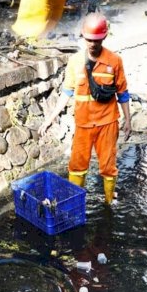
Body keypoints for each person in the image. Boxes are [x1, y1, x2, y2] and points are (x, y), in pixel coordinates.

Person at [38, 12, 131, 205]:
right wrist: (50, 118)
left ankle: (108, 203)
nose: (92, 44)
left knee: (108, 166)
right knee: (77, 166)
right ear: (83, 37)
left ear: (104, 37)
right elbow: (67, 92)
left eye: (96, 40)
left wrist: (128, 120)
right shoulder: (75, 62)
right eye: (88, 39)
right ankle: (74, 205)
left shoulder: (115, 61)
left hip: (107, 122)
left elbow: (122, 92)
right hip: (83, 124)